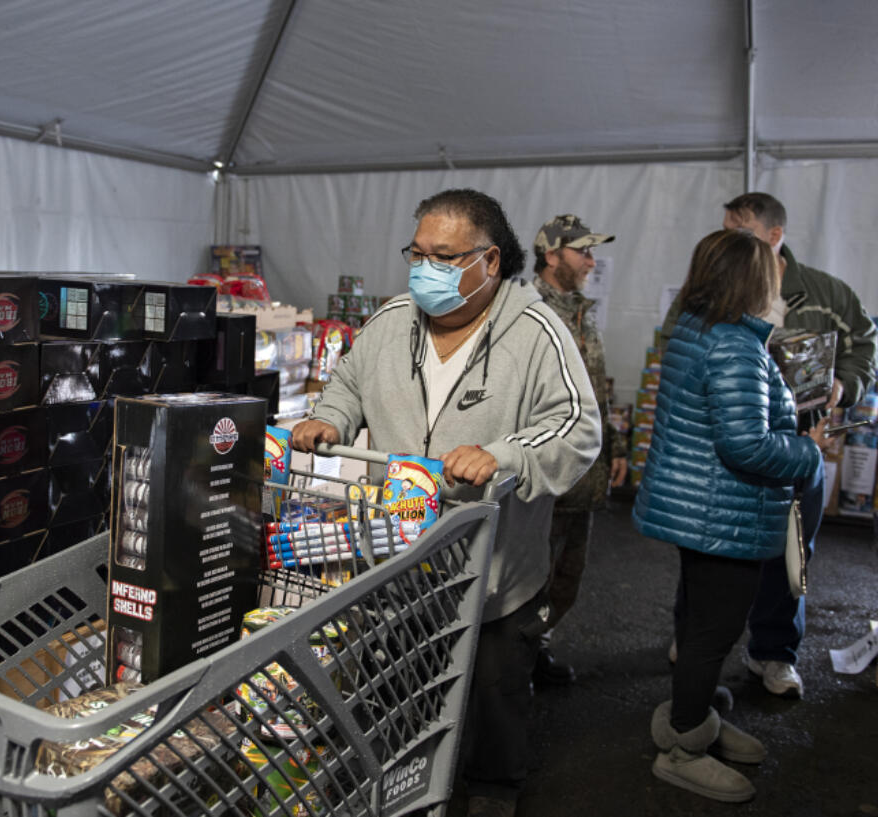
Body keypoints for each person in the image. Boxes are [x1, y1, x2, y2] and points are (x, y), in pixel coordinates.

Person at [292, 189, 601, 816]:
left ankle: (493, 788)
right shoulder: (390, 322)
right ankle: (398, 777)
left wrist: (506, 454)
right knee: (398, 676)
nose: (423, 267)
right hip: (404, 557)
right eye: (417, 252)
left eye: (443, 256)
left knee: (495, 688)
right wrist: (330, 418)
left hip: (497, 568)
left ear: (489, 262)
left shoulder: (536, 331)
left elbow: (576, 424)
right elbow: (346, 383)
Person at [635, 229, 826, 802]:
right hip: (724, 515)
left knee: (698, 625)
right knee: (710, 636)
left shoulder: (695, 329)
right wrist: (808, 450)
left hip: (698, 510)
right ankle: (683, 749)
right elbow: (746, 445)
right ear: (751, 281)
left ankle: (691, 716)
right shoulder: (735, 344)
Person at [662, 193, 876, 698]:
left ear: (774, 236)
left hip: (798, 443)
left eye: (741, 233)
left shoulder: (826, 293)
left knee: (791, 556)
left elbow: (864, 342)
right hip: (742, 450)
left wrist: (844, 386)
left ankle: (773, 653)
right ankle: (695, 652)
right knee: (710, 557)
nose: (729, 243)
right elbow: (681, 353)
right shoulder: (711, 301)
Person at [530, 214, 629, 685]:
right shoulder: (529, 312)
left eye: (592, 252)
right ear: (552, 256)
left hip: (583, 475)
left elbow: (597, 392)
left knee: (567, 577)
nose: (592, 261)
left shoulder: (580, 311)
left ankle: (536, 649)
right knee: (531, 576)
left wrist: (616, 447)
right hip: (547, 474)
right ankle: (515, 661)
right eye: (582, 251)